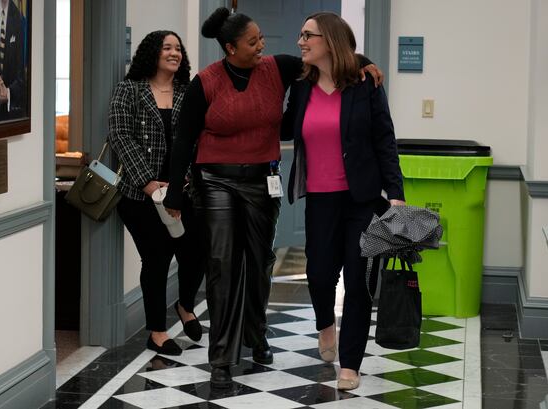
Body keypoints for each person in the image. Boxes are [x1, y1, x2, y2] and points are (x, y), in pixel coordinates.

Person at [163, 7, 384, 388]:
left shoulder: (277, 68)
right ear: (231, 48)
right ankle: (222, 357)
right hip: (216, 180)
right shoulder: (207, 82)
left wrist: (366, 63)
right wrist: (174, 193)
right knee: (222, 264)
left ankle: (255, 332)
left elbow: (331, 61)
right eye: (253, 42)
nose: (262, 45)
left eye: (262, 37)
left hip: (263, 180)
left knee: (260, 260)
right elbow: (184, 138)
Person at [281, 12, 405, 391]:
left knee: (358, 281)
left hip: (363, 201)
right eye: (301, 35)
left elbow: (385, 140)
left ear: (329, 40)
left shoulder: (365, 85)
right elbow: (286, 127)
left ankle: (350, 364)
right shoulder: (301, 85)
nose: (301, 41)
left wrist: (396, 195)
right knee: (318, 274)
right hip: (319, 199)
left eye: (308, 35)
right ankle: (324, 325)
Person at [108, 31, 204, 356]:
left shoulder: (188, 92)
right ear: (152, 53)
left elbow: (197, 142)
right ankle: (158, 333)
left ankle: (186, 305)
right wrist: (149, 183)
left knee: (195, 253)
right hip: (139, 197)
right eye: (167, 47)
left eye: (178, 48)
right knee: (157, 260)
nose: (174, 53)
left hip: (183, 192)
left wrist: (180, 184)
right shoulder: (129, 90)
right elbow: (120, 135)